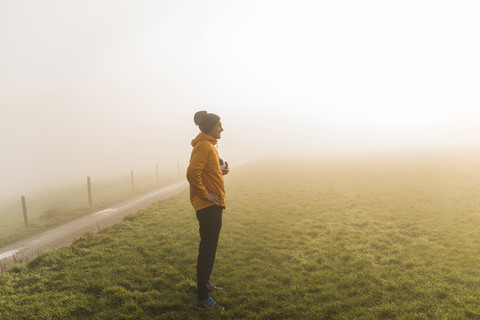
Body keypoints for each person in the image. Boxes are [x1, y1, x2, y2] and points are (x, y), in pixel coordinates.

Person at [186, 110, 229, 310]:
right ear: (211, 127)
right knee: (207, 250)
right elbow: (192, 172)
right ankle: (202, 298)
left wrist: (221, 171)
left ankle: (205, 284)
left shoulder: (208, 146)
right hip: (208, 206)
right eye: (219, 124)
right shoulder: (204, 145)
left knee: (209, 249)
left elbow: (204, 171)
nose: (222, 128)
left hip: (213, 204)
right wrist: (205, 194)